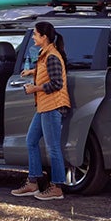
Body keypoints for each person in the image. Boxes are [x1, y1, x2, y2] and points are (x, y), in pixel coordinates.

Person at [11, 22, 71, 201]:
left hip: (52, 106)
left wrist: (34, 89)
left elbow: (57, 84)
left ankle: (57, 187)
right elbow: (46, 71)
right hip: (44, 106)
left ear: (44, 37)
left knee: (53, 148)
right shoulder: (45, 54)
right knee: (31, 141)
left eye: (35, 34)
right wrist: (32, 71)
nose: (33, 37)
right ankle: (33, 182)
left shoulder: (52, 56)